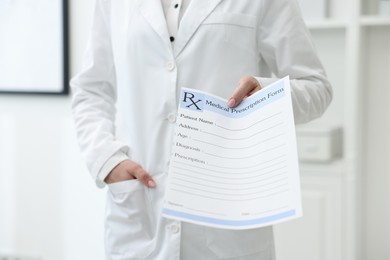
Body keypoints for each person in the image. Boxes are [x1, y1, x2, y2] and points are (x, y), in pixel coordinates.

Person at [70, 0, 332, 259]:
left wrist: (265, 96)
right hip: (139, 213)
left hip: (227, 219)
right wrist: (106, 160)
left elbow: (316, 87)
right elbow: (91, 89)